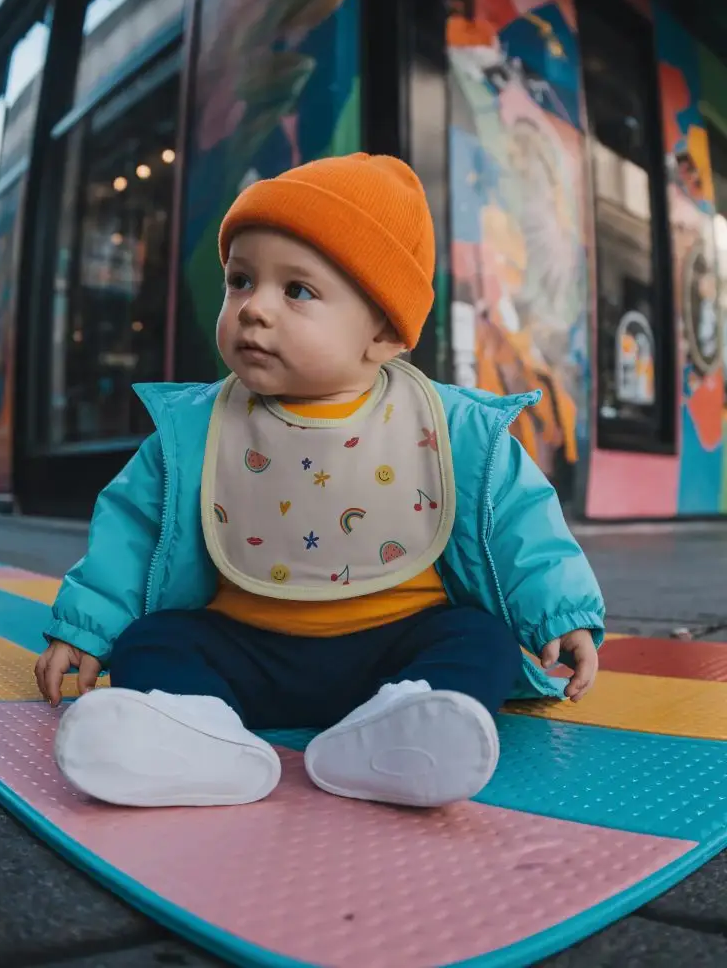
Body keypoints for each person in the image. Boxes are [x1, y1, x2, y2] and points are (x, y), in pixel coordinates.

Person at [36, 153, 605, 810]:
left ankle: (405, 728)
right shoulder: (196, 430)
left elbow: (519, 520)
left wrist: (560, 614)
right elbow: (133, 531)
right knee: (152, 643)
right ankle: (199, 735)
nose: (253, 309)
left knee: (482, 642)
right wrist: (86, 627)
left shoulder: (451, 429)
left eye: (297, 291)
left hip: (398, 647)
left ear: (383, 331)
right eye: (240, 281)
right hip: (244, 648)